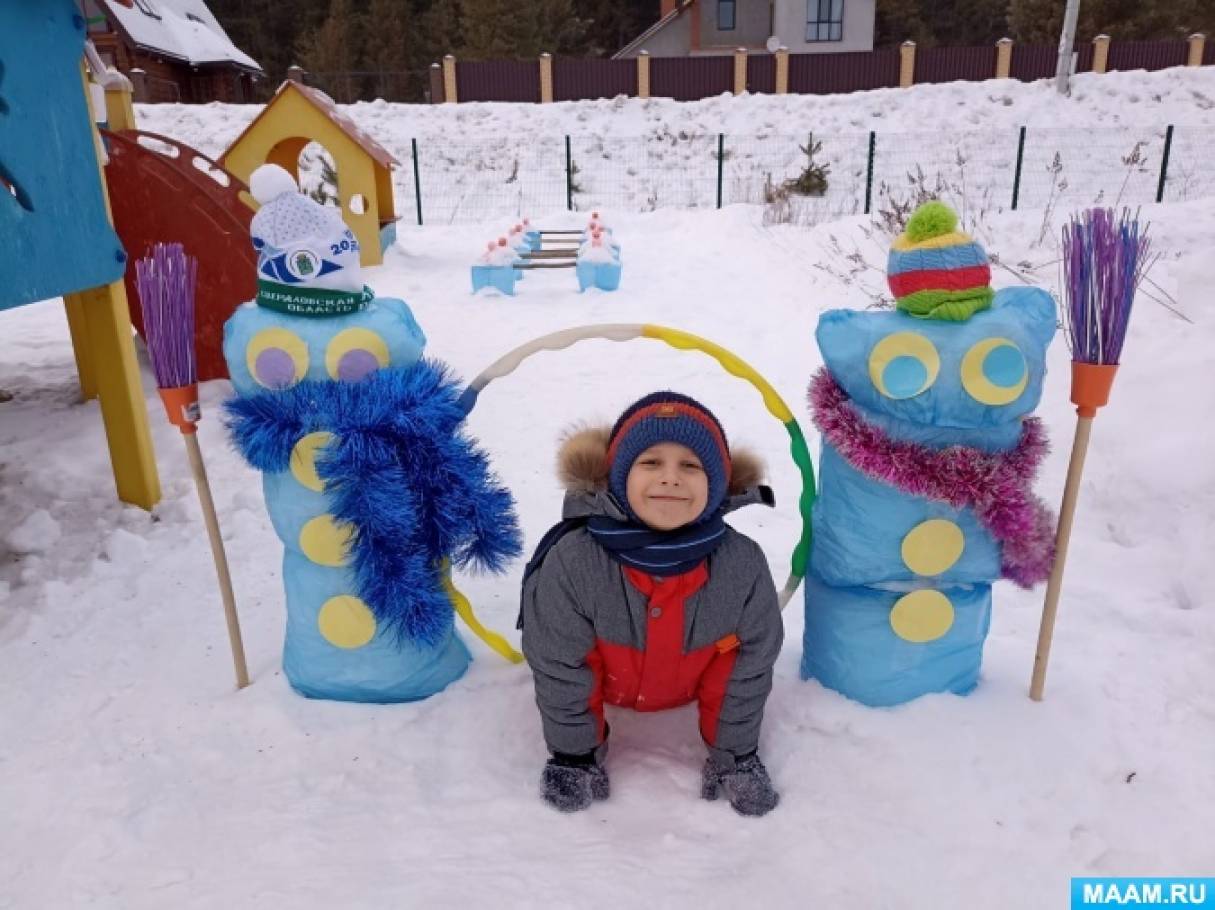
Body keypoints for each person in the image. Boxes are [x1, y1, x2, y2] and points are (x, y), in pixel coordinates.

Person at [520, 391, 784, 816]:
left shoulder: (742, 565)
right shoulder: (574, 562)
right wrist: (574, 755)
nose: (670, 478)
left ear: (717, 484)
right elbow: (559, 663)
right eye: (650, 463)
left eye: (691, 466)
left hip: (689, 692)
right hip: (608, 692)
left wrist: (736, 754)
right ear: (618, 476)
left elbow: (747, 666)